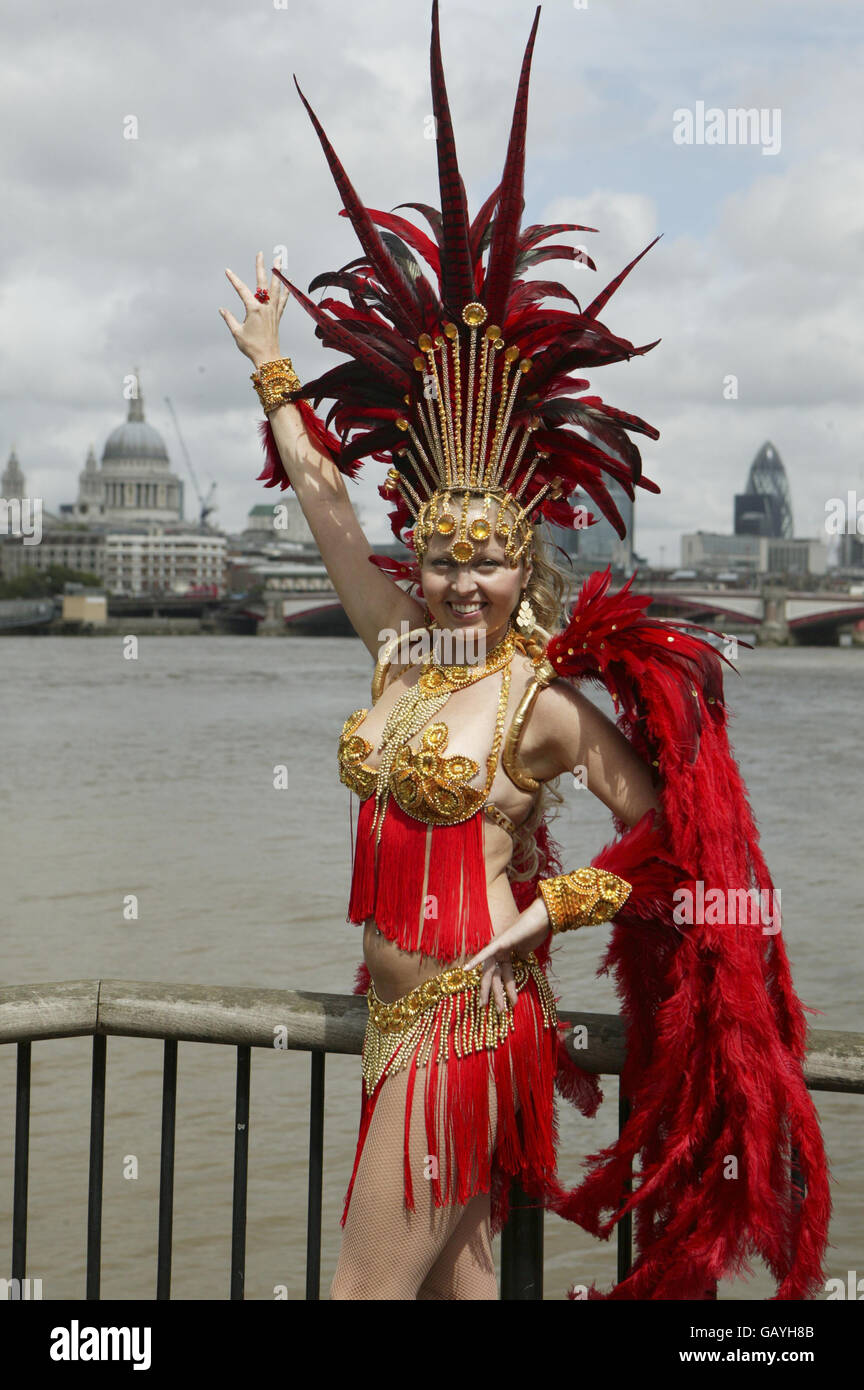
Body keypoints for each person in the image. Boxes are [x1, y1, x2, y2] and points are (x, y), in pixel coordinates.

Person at [219, 2, 830, 1301]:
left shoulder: (535, 701)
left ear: (524, 564)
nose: (459, 576)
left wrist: (548, 912)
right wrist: (276, 370)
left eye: (487, 556)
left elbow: (664, 832)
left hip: (463, 1024)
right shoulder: (395, 647)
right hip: (393, 1025)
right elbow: (331, 507)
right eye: (441, 548)